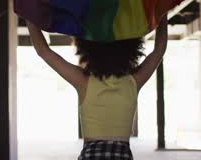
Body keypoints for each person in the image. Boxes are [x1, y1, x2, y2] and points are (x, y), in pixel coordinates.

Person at [26, 16, 168, 160]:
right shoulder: (134, 81)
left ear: (87, 48)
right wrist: (163, 12)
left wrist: (28, 13)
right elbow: (159, 50)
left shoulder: (84, 81)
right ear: (131, 48)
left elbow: (43, 51)